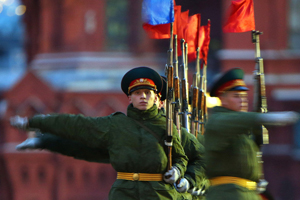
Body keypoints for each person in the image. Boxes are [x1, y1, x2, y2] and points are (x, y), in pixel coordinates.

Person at [16, 75, 207, 200]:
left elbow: (202, 160)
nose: (143, 97)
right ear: (129, 98)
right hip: (124, 193)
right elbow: (81, 131)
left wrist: (188, 180)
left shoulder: (173, 131)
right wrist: (40, 130)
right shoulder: (117, 125)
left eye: (148, 93)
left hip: (161, 195)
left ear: (158, 99)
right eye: (137, 93)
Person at [204, 68, 299, 200]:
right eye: (236, 96)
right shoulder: (218, 121)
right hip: (228, 194)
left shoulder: (241, 128)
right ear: (222, 99)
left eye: (243, 96)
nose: (242, 100)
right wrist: (264, 118)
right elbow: (241, 120)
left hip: (248, 193)